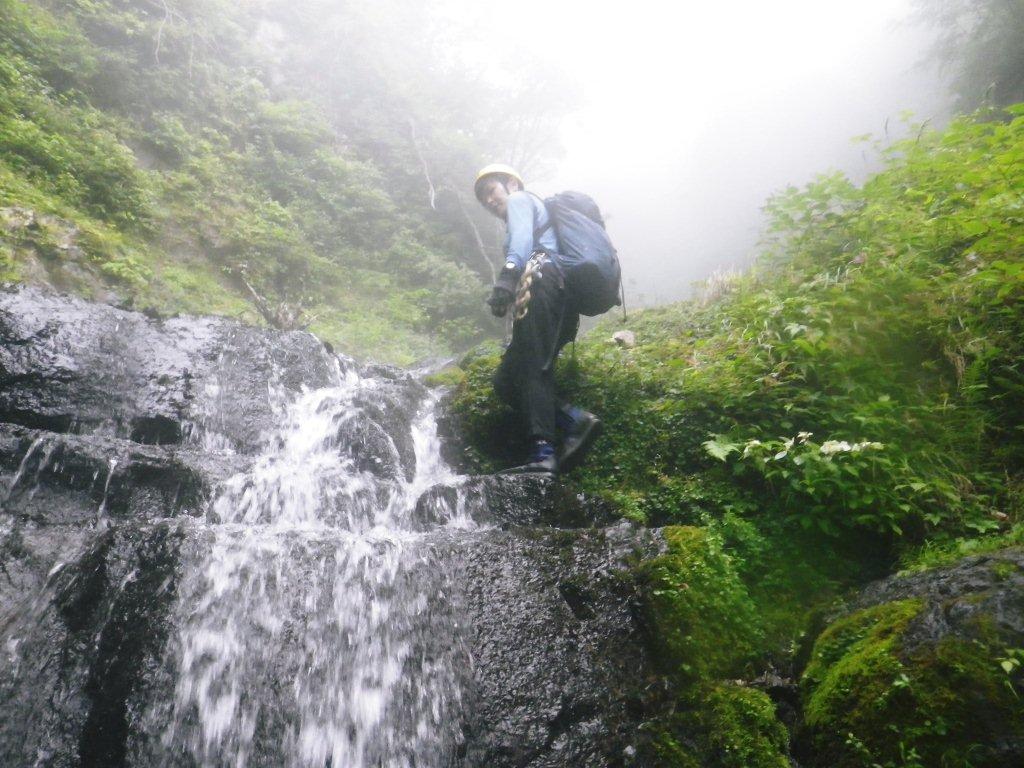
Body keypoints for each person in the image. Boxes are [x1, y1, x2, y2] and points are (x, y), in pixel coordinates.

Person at [474, 163, 602, 475]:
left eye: (491, 191)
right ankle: (574, 420)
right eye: (483, 199)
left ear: (511, 184)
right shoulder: (529, 210)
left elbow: (521, 243)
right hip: (555, 295)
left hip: (543, 282)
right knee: (506, 381)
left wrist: (507, 276)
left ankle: (542, 453)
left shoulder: (521, 200)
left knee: (532, 364)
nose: (489, 201)